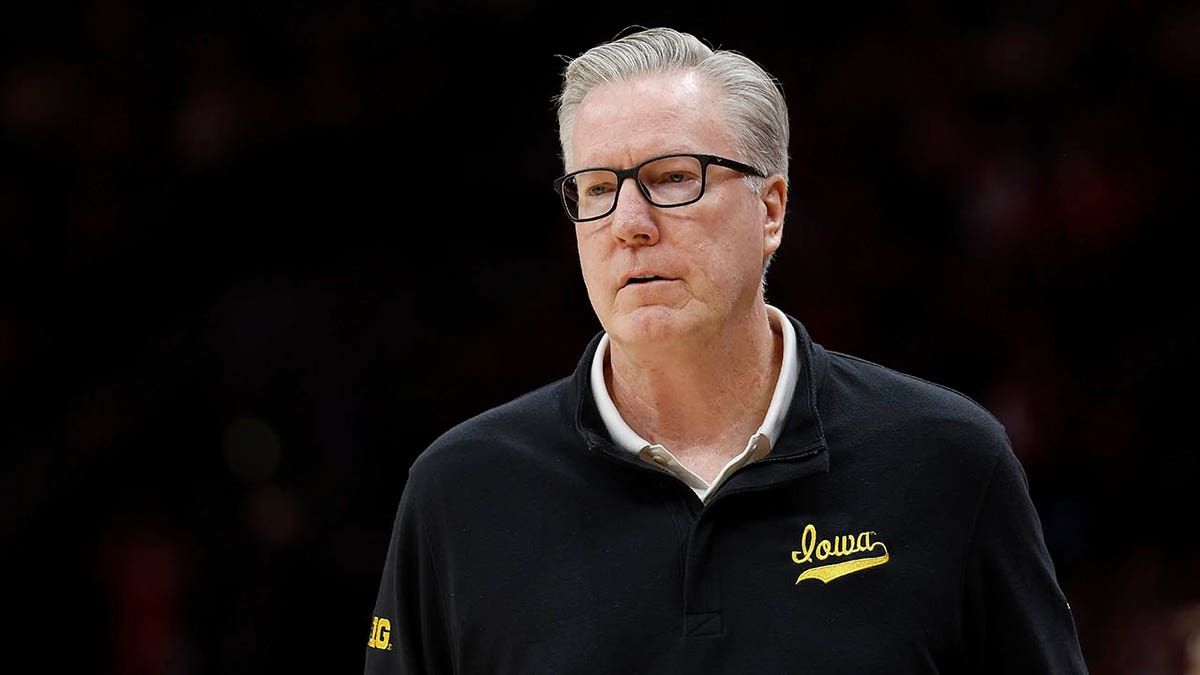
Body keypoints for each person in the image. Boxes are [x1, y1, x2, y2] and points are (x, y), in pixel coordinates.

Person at [363, 26, 1089, 674]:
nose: (630, 223)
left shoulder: (948, 459)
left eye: (673, 177)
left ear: (771, 209)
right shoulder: (458, 492)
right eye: (595, 189)